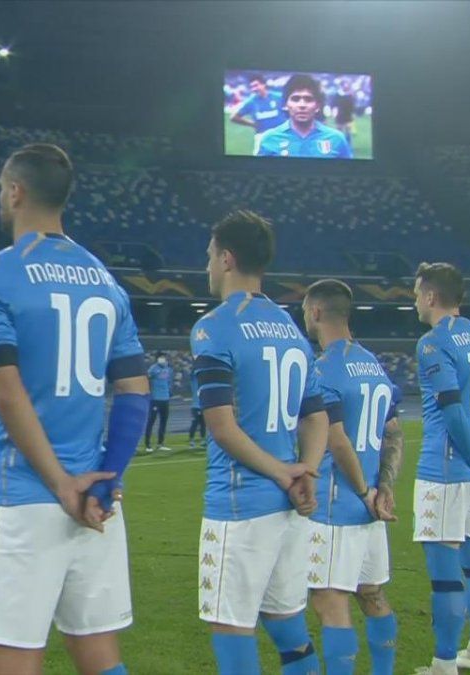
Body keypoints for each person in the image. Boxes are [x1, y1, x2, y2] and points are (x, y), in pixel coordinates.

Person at [0, 143, 149, 675]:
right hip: (95, 497)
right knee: (98, 655)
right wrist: (103, 480)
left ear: (16, 191)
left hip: (24, 493)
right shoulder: (106, 281)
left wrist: (59, 481)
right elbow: (135, 392)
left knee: (15, 658)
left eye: (3, 189)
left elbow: (5, 389)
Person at [190, 210, 328, 674]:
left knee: (231, 626)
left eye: (209, 256)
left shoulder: (215, 327)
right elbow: (317, 416)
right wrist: (304, 469)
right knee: (289, 628)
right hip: (288, 507)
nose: (207, 266)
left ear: (227, 259)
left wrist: (284, 471)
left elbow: (223, 427)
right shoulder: (290, 328)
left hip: (241, 503)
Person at [301, 279, 404, 675]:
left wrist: (363, 491)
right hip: (372, 508)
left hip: (337, 504)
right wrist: (384, 490)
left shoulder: (323, 368)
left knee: (330, 599)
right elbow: (393, 432)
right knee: (372, 593)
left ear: (315, 312)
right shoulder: (374, 365)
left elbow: (337, 439)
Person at [411, 262, 470, 675]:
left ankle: (444, 663)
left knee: (447, 574)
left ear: (431, 296)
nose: (415, 301)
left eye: (417, 293)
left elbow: (451, 407)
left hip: (446, 469)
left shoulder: (434, 342)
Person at [256, 73, 353, 159]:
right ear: (285, 105)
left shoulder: (337, 139)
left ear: (317, 106)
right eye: (295, 99)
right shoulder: (269, 139)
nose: (302, 105)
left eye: (308, 99)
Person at [145, 352, 173, 452]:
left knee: (163, 422)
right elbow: (146, 378)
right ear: (157, 359)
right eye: (161, 357)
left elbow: (168, 382)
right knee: (151, 421)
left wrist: (169, 392)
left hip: (165, 399)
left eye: (164, 358)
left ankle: (160, 443)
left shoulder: (168, 369)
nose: (163, 359)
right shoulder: (153, 369)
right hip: (155, 399)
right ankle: (148, 445)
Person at [187, 368, 206, 449]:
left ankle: (202, 441)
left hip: (203, 406)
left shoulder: (203, 383)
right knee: (194, 424)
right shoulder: (194, 382)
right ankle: (191, 441)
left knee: (203, 424)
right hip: (195, 406)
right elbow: (192, 374)